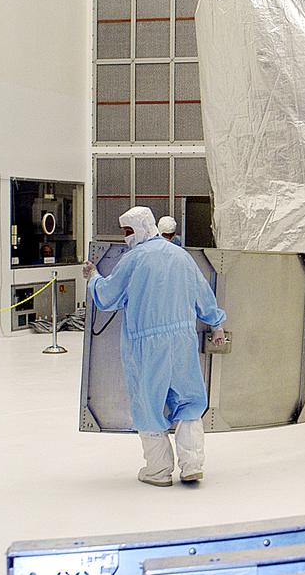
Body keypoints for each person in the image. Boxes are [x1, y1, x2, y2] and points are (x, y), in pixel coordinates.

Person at [83, 207, 226, 486]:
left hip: (147, 345)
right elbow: (203, 294)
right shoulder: (180, 256)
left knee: (147, 404)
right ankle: (192, 464)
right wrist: (216, 324)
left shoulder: (133, 260)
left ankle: (158, 471)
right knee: (189, 401)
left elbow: (107, 297)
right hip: (182, 341)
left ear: (142, 228)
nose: (126, 239)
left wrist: (93, 278)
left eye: (128, 232)